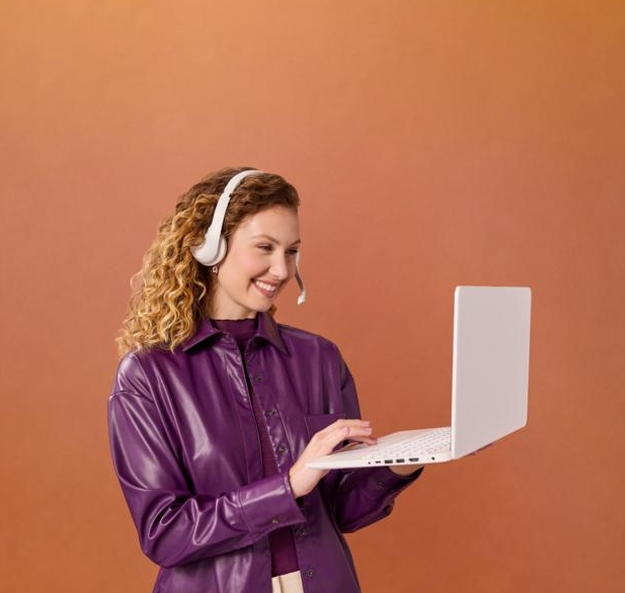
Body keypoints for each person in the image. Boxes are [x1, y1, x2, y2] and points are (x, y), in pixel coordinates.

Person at [108, 168, 424, 593]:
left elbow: (340, 512)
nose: (281, 269)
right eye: (264, 247)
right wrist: (288, 486)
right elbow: (165, 533)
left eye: (291, 251)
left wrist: (399, 464)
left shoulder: (319, 358)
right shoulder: (148, 375)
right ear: (209, 247)